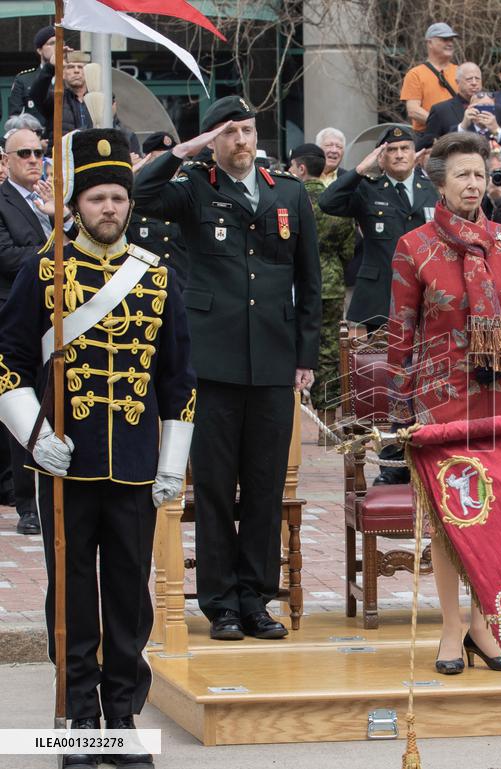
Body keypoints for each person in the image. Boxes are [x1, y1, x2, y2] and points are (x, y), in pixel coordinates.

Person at [0, 128, 196, 768]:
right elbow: (10, 363)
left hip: (137, 464)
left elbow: (179, 378)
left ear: (129, 203)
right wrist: (34, 435)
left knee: (129, 598)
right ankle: (78, 723)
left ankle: (122, 718)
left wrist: (172, 465)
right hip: (66, 464)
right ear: (77, 205)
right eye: (96, 199)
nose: (108, 209)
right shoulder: (46, 268)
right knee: (73, 596)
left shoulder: (157, 274)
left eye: (117, 198)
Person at [133, 95, 322, 642]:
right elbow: (141, 195)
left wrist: (304, 356)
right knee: (215, 486)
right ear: (214, 140)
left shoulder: (287, 191)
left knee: (263, 485)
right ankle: (221, 604)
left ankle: (256, 598)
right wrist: (186, 149)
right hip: (211, 361)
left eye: (247, 130)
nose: (242, 141)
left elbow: (308, 283)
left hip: (271, 358)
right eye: (230, 132)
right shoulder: (195, 186)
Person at [386, 132, 501, 674]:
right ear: (439, 181)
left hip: (499, 395)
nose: (473, 183)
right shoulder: (415, 247)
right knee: (446, 520)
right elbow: (400, 332)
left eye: (480, 174)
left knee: (494, 518)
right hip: (438, 401)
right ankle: (452, 625)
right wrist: (399, 408)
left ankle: (485, 623)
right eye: (462, 174)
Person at [0, 126, 77, 536]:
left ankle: (62, 490)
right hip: (18, 319)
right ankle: (27, 503)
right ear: (6, 160)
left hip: (65, 320)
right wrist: (54, 242)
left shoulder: (58, 202)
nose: (33, 160)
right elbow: (8, 257)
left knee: (62, 404)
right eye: (24, 153)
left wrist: (61, 218)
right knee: (24, 408)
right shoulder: (2, 201)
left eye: (38, 152)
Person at [319, 125, 438, 330]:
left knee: (429, 359)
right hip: (381, 296)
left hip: (428, 292)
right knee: (380, 361)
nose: (399, 155)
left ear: (415, 153)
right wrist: (359, 170)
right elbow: (327, 202)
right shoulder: (368, 188)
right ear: (380, 157)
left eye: (405, 148)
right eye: (391, 150)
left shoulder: (433, 189)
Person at [290, 142, 354, 410]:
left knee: (289, 345)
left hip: (292, 284)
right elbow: (349, 249)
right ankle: (327, 417)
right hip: (331, 283)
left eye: (292, 167)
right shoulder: (335, 204)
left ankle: (293, 411)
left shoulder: (289, 199)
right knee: (329, 350)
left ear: (301, 168)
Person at [127, 132, 189, 286]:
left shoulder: (188, 196)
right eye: (159, 162)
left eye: (171, 162)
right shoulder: (134, 199)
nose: (166, 169)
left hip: (182, 285)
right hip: (144, 287)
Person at [400, 22, 459, 133]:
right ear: (430, 43)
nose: (450, 43)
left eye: (451, 40)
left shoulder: (460, 71)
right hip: (430, 138)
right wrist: (443, 125)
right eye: (444, 39)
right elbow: (413, 110)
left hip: (459, 137)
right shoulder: (415, 74)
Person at [29, 50, 93, 142]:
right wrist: (51, 66)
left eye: (80, 67)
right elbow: (36, 94)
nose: (76, 71)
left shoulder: (96, 100)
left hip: (89, 153)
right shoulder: (56, 99)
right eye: (70, 67)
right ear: (63, 74)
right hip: (61, 154)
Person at [418, 62, 485, 150]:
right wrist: (461, 127)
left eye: (477, 79)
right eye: (469, 79)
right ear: (457, 82)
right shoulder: (440, 110)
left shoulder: (493, 107)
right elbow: (426, 145)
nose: (474, 83)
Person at [7, 25, 55, 128]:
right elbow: (15, 118)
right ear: (39, 50)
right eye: (52, 43)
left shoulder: (70, 78)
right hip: (34, 140)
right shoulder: (24, 79)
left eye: (61, 43)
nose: (57, 47)